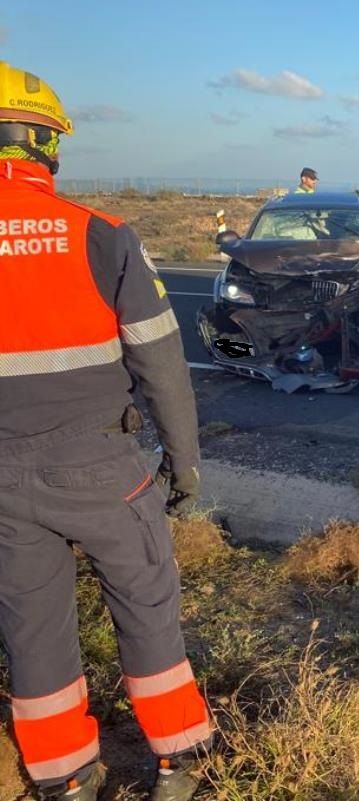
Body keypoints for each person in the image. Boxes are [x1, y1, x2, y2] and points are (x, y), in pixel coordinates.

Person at [0, 62, 210, 801]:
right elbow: (162, 363)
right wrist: (182, 462)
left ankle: (63, 776)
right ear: (46, 145)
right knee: (146, 603)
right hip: (100, 463)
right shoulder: (101, 236)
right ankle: (178, 763)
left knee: (32, 627)